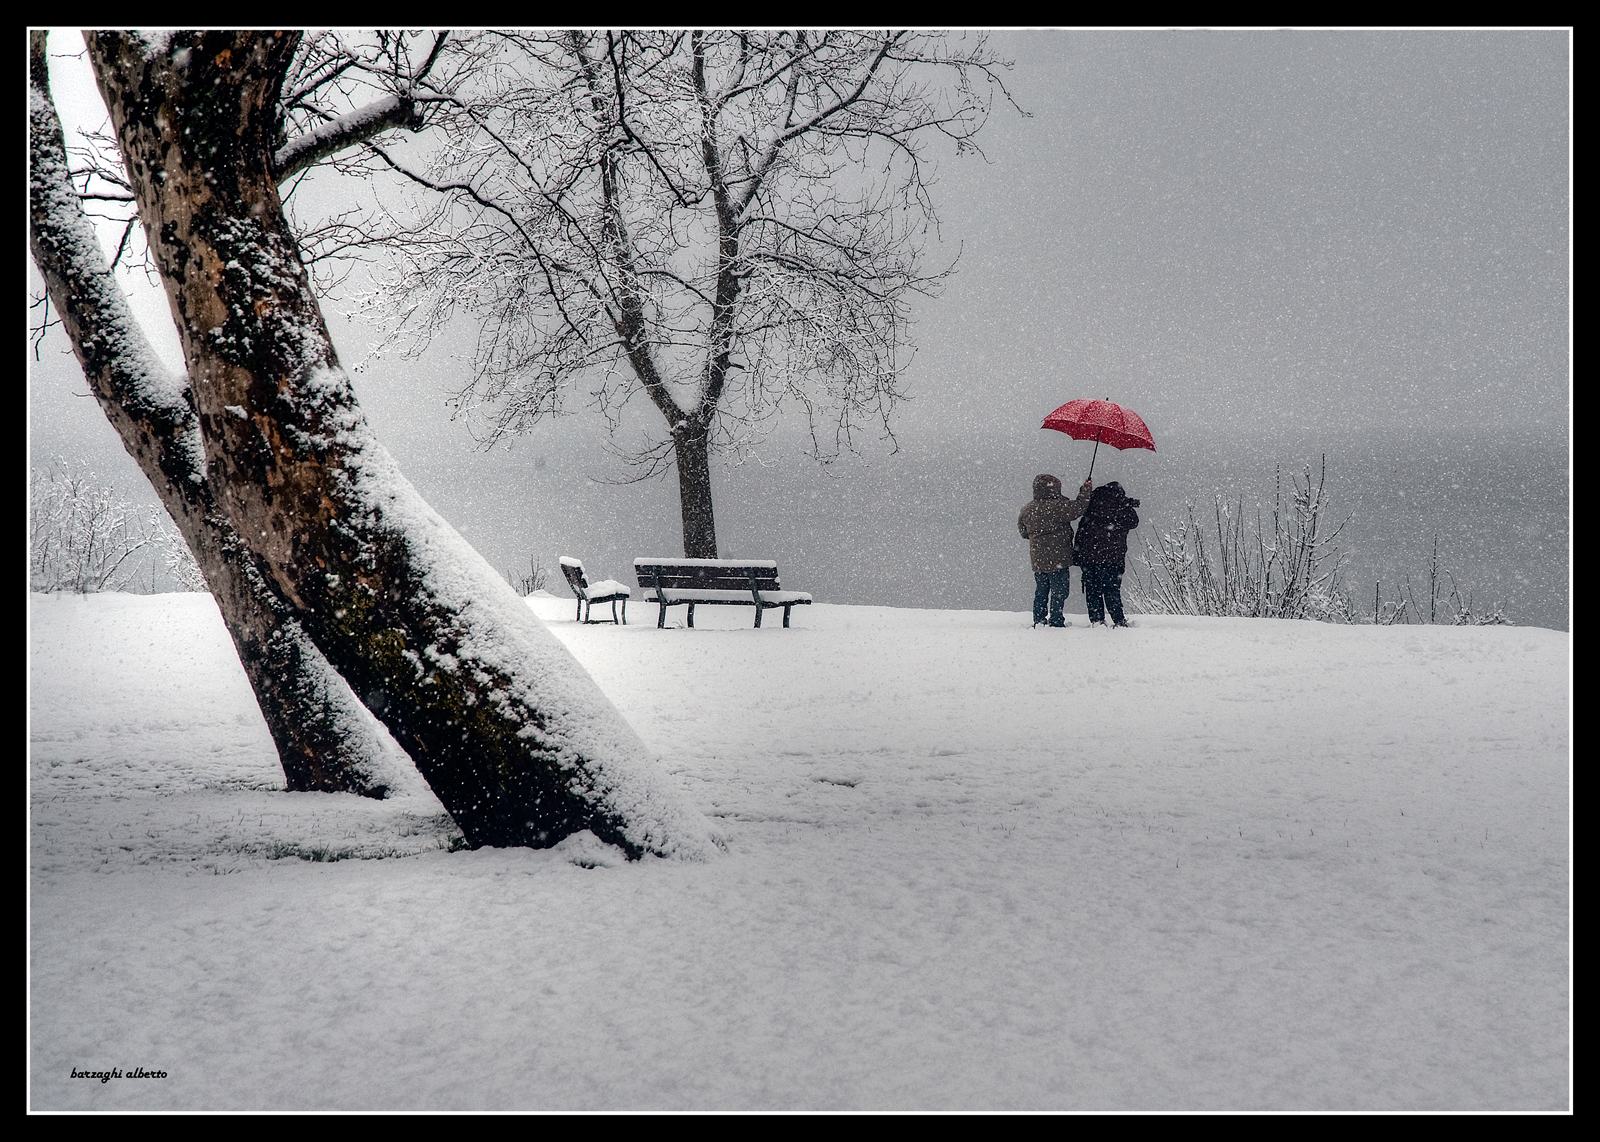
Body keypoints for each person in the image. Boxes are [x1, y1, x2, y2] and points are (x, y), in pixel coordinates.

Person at [1018, 474, 1093, 627]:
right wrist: (1085, 491)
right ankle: (1056, 619)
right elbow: (1078, 508)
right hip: (1058, 557)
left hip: (1038, 558)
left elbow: (1024, 532)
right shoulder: (1057, 506)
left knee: (1041, 591)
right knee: (1059, 591)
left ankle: (1039, 620)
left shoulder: (1027, 509)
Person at [1073, 481, 1141, 627]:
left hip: (1089, 558)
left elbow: (1081, 530)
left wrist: (1077, 554)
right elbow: (1133, 522)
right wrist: (1125, 503)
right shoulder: (1121, 507)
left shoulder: (1092, 505)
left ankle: (1097, 621)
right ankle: (1118, 621)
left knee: (1092, 591)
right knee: (1111, 591)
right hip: (1112, 559)